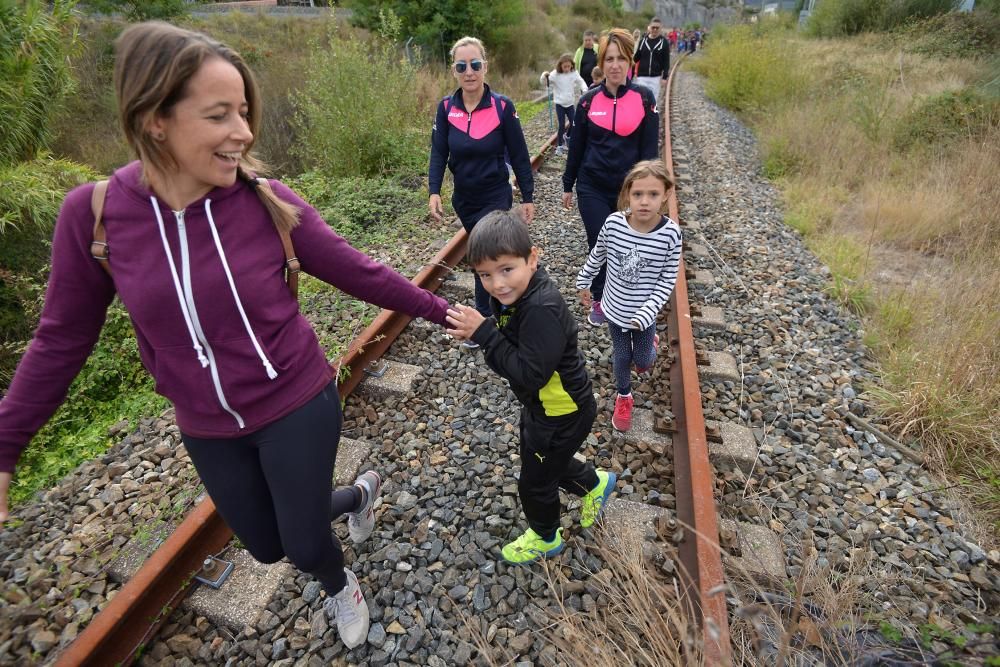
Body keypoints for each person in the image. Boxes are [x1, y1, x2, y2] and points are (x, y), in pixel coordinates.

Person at [0, 22, 454, 650]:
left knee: (301, 545)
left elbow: (358, 270)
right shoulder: (96, 214)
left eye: (243, 111)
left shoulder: (267, 202)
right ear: (156, 118)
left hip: (295, 399)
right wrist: (6, 443)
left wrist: (445, 312)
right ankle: (355, 496)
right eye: (220, 115)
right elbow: (59, 339)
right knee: (265, 545)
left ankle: (338, 581)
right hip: (206, 423)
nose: (243, 131)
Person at [444, 210, 617, 564]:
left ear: (533, 258)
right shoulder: (516, 296)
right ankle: (594, 485)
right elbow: (512, 348)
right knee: (545, 461)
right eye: (485, 275)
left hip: (561, 413)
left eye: (507, 269)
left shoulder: (540, 308)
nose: (497, 284)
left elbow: (528, 373)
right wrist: (488, 331)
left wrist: (486, 334)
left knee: (534, 482)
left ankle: (545, 537)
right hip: (545, 408)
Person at [428, 35, 535, 344]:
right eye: (462, 66)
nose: (469, 72)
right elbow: (438, 153)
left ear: (485, 67)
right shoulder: (446, 108)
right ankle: (498, 315)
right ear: (454, 71)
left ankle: (487, 320)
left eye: (475, 64)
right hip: (465, 199)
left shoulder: (503, 107)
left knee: (484, 257)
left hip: (495, 196)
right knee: (489, 257)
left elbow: (518, 154)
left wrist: (527, 195)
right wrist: (434, 191)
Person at [561, 28, 659, 328]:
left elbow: (649, 153)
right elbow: (575, 147)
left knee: (629, 246)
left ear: (630, 61)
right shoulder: (589, 102)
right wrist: (568, 185)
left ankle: (626, 299)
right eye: (609, 59)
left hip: (628, 190)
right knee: (600, 241)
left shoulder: (644, 99)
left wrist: (650, 194)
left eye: (621, 58)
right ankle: (602, 299)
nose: (615, 65)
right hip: (592, 186)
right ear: (601, 63)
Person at [576, 160, 682, 432]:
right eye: (637, 194)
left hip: (644, 316)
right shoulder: (614, 224)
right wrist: (584, 281)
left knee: (643, 361)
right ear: (627, 195)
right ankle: (624, 396)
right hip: (615, 308)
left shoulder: (670, 235)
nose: (644, 202)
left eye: (653, 194)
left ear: (666, 195)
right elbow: (598, 254)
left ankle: (651, 347)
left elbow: (667, 279)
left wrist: (648, 311)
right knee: (622, 357)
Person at [540, 54, 587, 156]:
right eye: (564, 66)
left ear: (571, 65)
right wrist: (544, 75)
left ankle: (568, 137)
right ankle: (560, 146)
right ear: (560, 65)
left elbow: (581, 81)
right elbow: (544, 82)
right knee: (561, 125)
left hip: (570, 103)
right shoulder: (555, 74)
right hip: (560, 104)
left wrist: (585, 90)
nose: (566, 68)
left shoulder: (573, 73)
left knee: (574, 123)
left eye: (568, 66)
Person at [633, 17, 670, 101]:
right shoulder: (642, 41)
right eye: (653, 27)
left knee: (653, 101)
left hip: (655, 77)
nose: (655, 29)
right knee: (641, 100)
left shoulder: (664, 42)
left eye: (657, 28)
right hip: (642, 76)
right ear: (649, 27)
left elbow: (666, 61)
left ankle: (652, 114)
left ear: (661, 28)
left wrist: (664, 77)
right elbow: (636, 57)